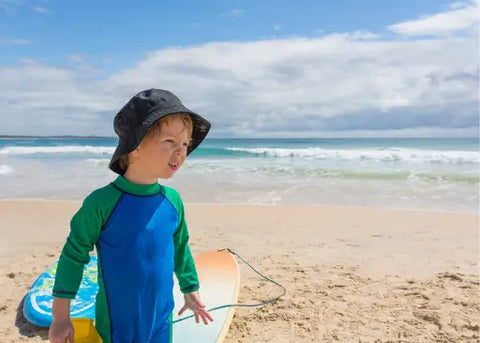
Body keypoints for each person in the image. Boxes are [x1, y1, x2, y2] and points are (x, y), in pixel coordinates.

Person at [48, 89, 214, 343]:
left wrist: (190, 289)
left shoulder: (173, 201)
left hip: (161, 317)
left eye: (185, 144)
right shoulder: (102, 202)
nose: (181, 152)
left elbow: (180, 247)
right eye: (170, 142)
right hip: (117, 322)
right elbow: (74, 254)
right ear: (134, 147)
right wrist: (61, 317)